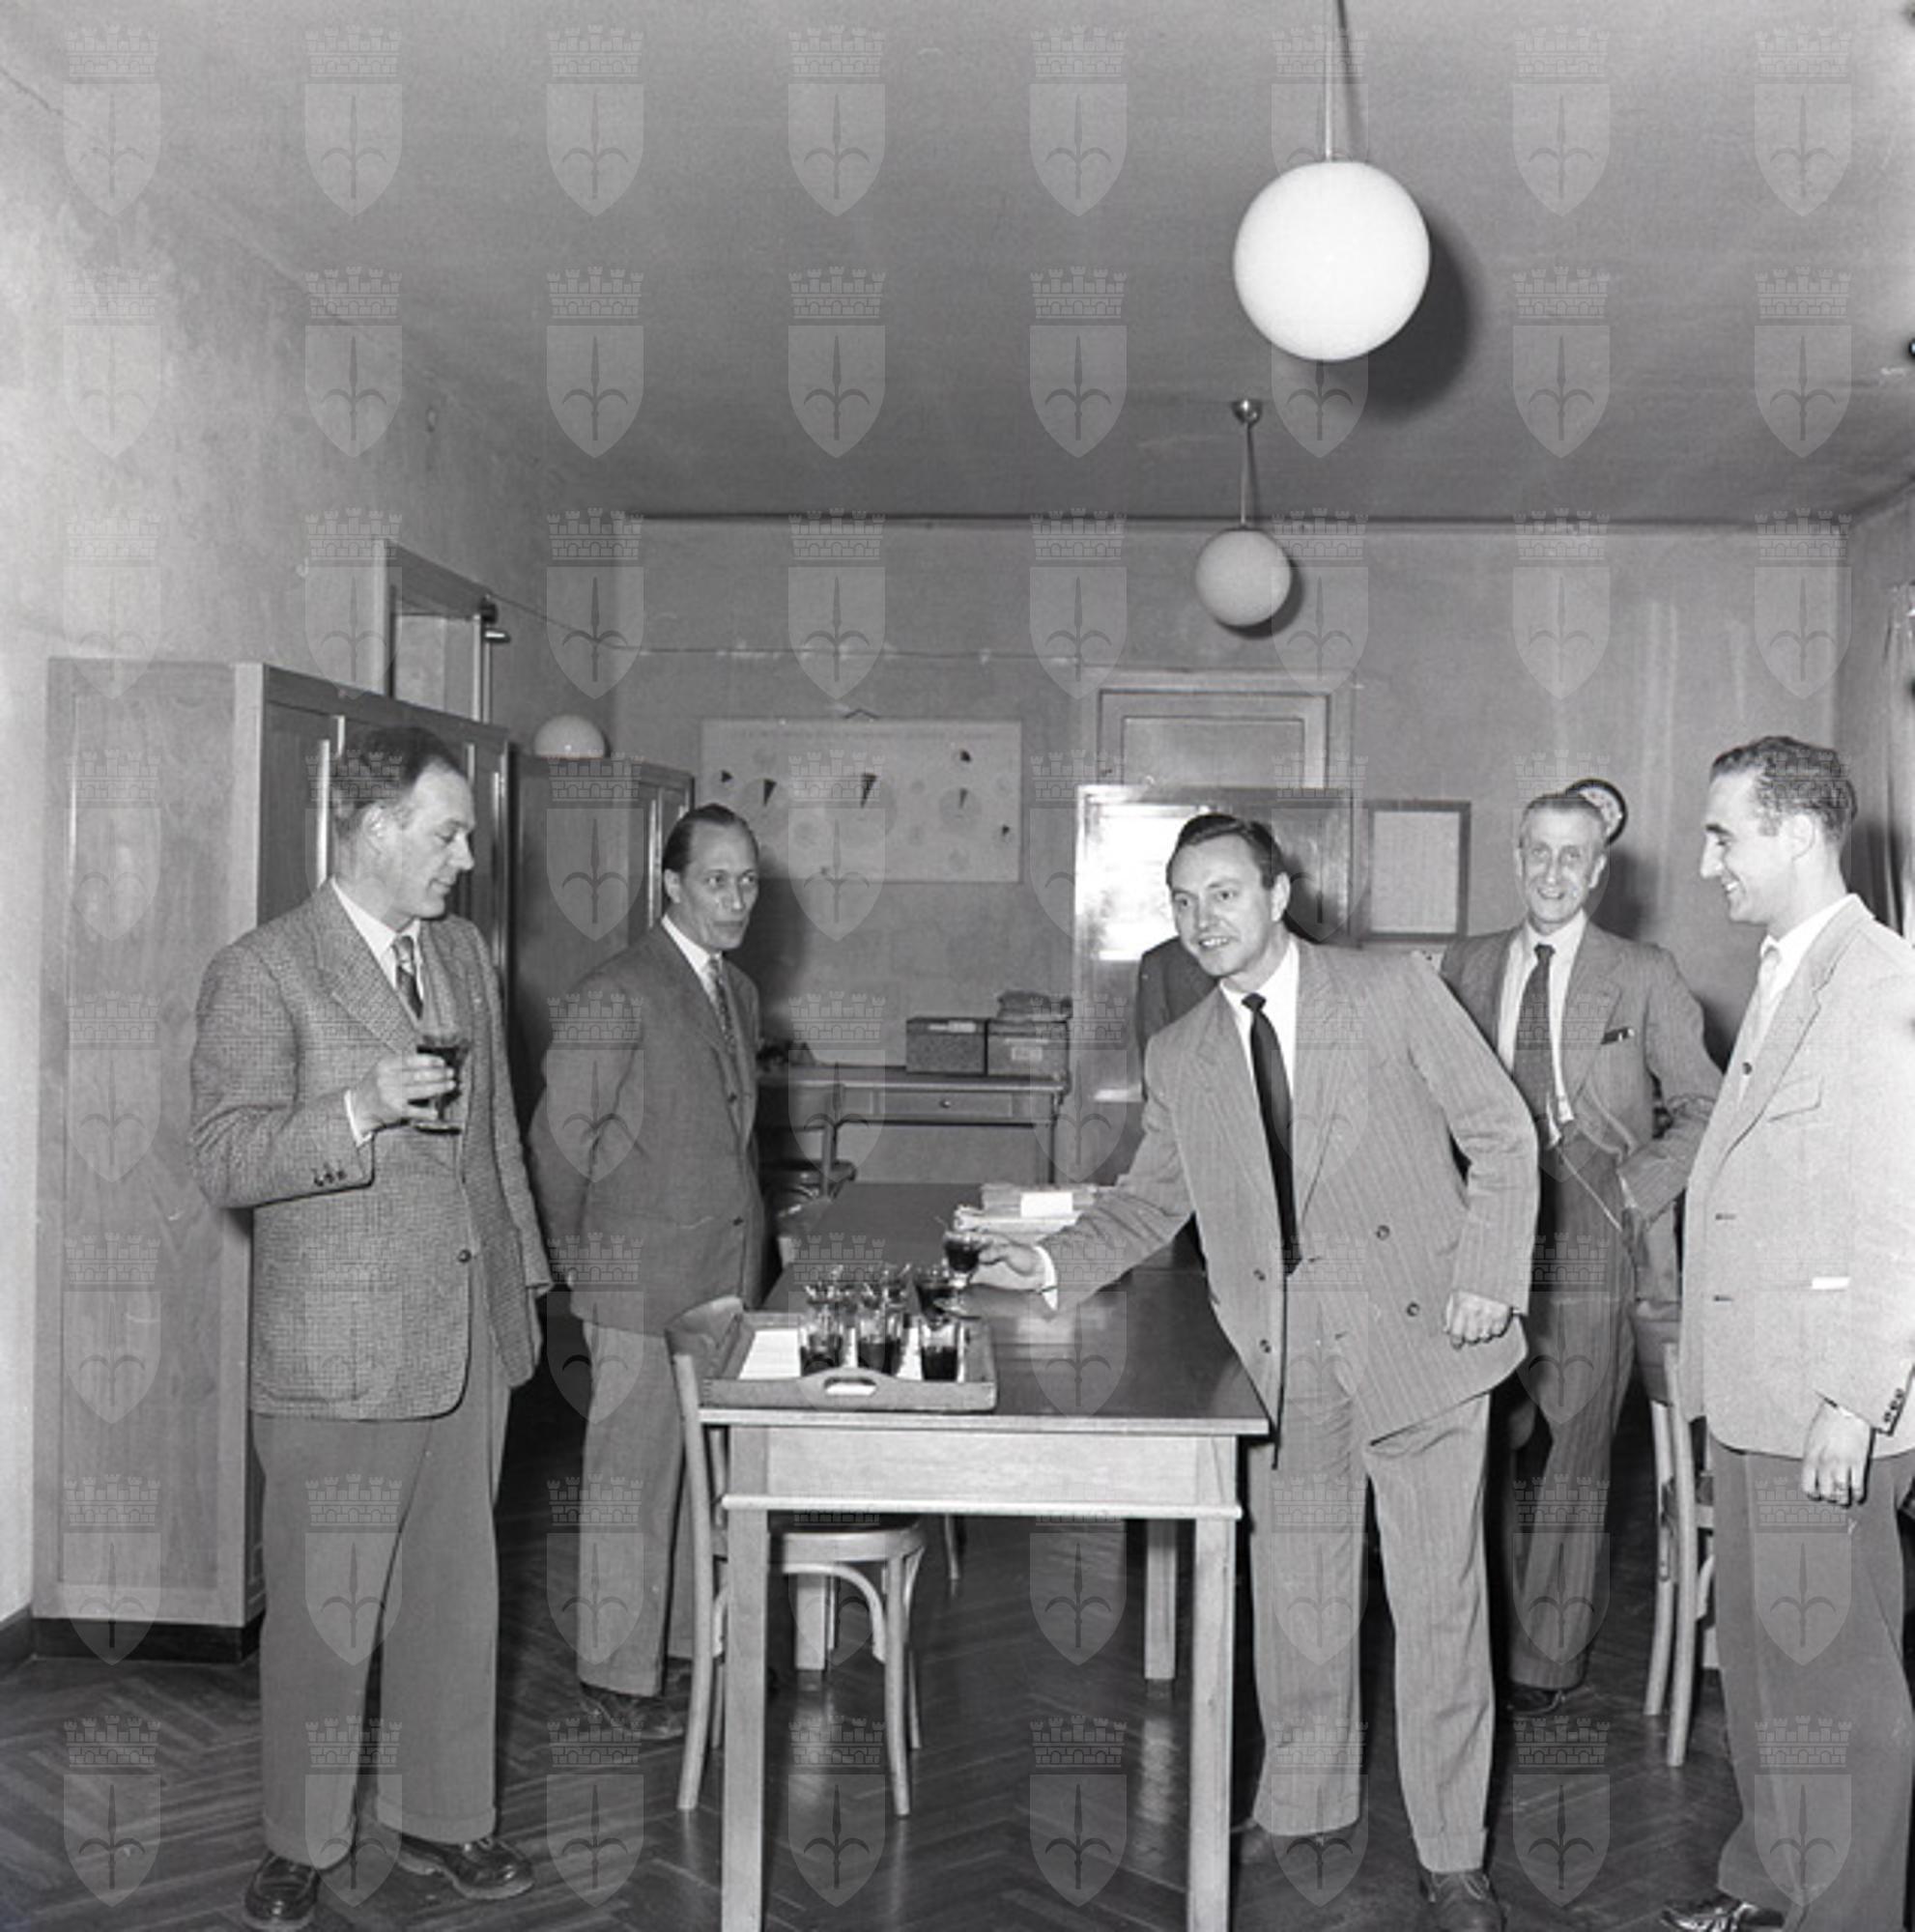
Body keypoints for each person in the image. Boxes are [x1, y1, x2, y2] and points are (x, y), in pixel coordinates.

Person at [978, 811, 1537, 1932]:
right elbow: (1147, 1204)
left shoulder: (1387, 990)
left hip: (1421, 1335)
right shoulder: (1181, 1052)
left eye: (1223, 893)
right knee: (1300, 1596)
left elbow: (1501, 1132)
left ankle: (1450, 1856)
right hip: (1284, 1351)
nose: (1201, 920)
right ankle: (1305, 1804)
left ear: (1279, 895)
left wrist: (1490, 1274)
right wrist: (1045, 1264)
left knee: (1437, 1609)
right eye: (1183, 901)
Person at [189, 727, 549, 1931]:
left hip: (467, 1334)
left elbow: (495, 1140)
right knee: (324, 1612)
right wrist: (356, 1105)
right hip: (334, 1354)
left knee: (456, 1597)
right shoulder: (263, 969)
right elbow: (225, 1158)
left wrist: (523, 1287)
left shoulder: (464, 956)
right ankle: (300, 1841)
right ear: (375, 826)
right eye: (448, 833)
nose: (466, 857)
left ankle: (445, 1817)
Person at [1662, 738, 1915, 1932]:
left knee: (1838, 1693)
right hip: (1757, 1392)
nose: (1704, 860)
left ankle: (1844, 1915)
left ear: (1800, 832)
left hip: (1823, 1402)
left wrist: (1852, 1399)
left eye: (1724, 834)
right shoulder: (1785, 969)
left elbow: (1900, 1210)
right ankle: (1770, 1886)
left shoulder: (1878, 981)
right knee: (1767, 1676)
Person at [1442, 790, 1718, 1713]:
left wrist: (1636, 1189)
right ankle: (1475, 1631)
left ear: (1600, 870)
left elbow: (1706, 1108)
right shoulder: (1466, 965)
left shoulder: (1643, 972)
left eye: (1574, 856)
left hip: (1596, 1212)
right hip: (1489, 1225)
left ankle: (1546, 1656)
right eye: (1539, 852)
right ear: (1516, 857)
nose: (1553, 873)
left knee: (1576, 1450)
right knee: (1482, 1437)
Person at [529, 804, 764, 1741]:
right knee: (629, 1482)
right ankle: (615, 1681)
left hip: (719, 1277)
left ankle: (680, 1654)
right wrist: (580, 1268)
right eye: (716, 879)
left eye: (747, 881)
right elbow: (557, 1143)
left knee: (691, 1479)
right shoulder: (617, 990)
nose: (736, 898)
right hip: (635, 1284)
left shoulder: (735, 990)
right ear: (670, 883)